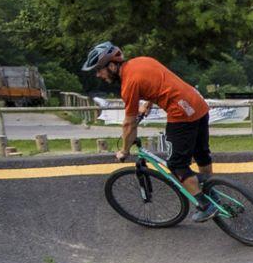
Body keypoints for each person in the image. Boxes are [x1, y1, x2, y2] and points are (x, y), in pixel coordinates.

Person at [82, 42, 215, 221]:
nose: (99, 75)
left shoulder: (129, 84)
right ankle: (212, 189)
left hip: (182, 112)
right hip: (198, 104)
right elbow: (161, 82)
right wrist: (147, 104)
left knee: (177, 165)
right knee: (201, 154)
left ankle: (205, 204)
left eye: (99, 69)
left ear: (112, 65)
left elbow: (129, 124)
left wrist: (124, 150)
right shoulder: (142, 61)